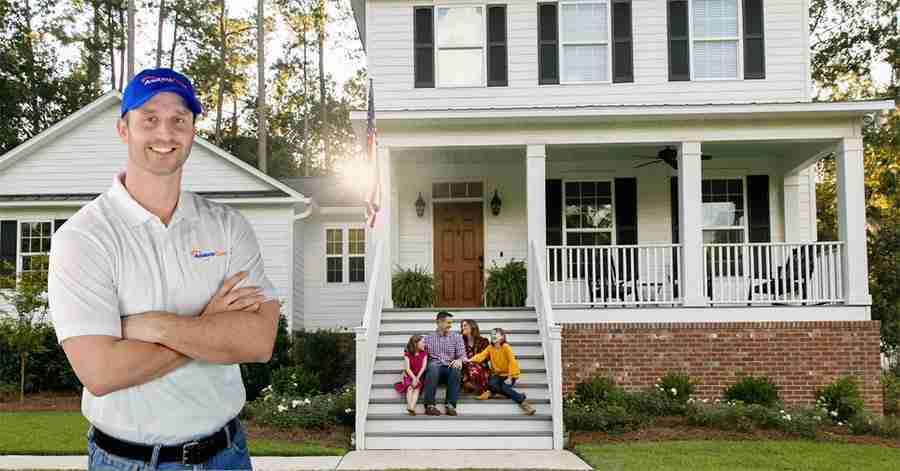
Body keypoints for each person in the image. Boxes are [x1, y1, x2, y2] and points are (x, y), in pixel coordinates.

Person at [48, 68, 281, 471]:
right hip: (128, 462)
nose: (165, 133)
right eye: (149, 119)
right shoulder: (84, 237)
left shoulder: (227, 226)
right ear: (124, 129)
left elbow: (258, 340)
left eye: (179, 119)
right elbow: (101, 371)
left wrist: (153, 324)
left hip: (227, 455)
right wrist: (210, 324)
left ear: (193, 131)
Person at [469, 328, 536, 415]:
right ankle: (518, 396)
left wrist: (512, 376)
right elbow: (482, 355)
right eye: (492, 334)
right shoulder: (490, 348)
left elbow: (512, 361)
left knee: (499, 386)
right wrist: (471, 359)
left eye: (496, 334)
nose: (493, 336)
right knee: (491, 383)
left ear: (502, 337)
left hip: (508, 375)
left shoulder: (506, 347)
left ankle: (524, 403)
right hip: (497, 375)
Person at [422, 311, 466, 416]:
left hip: (449, 368)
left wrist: (459, 360)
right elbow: (415, 351)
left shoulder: (456, 337)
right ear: (439, 322)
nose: (450, 326)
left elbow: (463, 355)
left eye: (451, 323)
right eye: (448, 323)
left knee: (456, 369)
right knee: (433, 366)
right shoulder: (428, 338)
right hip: (434, 369)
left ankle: (450, 405)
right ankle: (430, 406)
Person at [393, 335, 428, 415]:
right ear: (416, 343)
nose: (424, 344)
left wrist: (417, 378)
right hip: (410, 375)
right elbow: (407, 368)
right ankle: (410, 406)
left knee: (417, 389)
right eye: (422, 342)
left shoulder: (424, 353)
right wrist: (413, 378)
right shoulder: (407, 353)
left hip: (420, 375)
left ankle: (411, 407)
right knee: (410, 387)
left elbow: (424, 367)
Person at [460, 319, 490, 395]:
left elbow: (486, 357)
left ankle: (474, 386)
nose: (463, 328)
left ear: (472, 326)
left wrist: (474, 360)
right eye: (462, 326)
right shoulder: (460, 341)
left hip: (480, 366)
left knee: (475, 367)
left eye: (465, 325)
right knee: (469, 367)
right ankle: (481, 389)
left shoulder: (483, 341)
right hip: (465, 366)